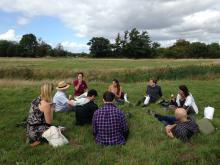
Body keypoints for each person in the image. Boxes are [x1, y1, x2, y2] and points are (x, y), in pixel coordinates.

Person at [26, 82, 54, 147]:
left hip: (29, 128)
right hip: (36, 132)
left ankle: (31, 138)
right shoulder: (46, 105)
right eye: (52, 91)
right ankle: (38, 140)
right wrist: (52, 108)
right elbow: (49, 123)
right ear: (49, 92)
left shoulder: (35, 100)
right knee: (56, 129)